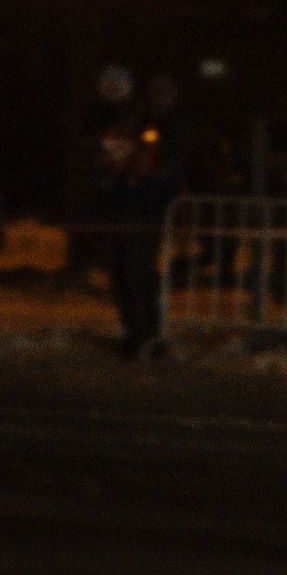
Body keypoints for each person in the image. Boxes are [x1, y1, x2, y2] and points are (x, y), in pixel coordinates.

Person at [93, 68, 177, 359]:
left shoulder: (162, 126)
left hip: (143, 209)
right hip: (122, 205)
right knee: (121, 274)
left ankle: (148, 336)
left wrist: (137, 174)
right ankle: (134, 334)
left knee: (138, 272)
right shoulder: (126, 122)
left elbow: (161, 166)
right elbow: (109, 156)